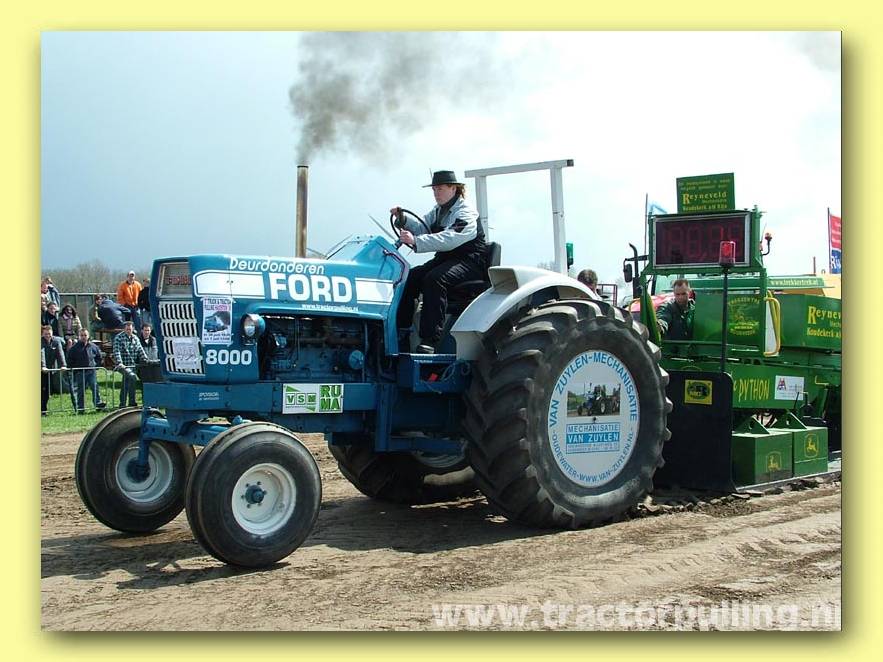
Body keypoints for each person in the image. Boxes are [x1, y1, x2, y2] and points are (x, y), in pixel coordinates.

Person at [390, 170, 488, 353]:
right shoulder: (438, 210)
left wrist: (416, 241)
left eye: (440, 188)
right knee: (409, 277)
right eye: (434, 189)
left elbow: (450, 238)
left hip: (469, 262)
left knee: (435, 279)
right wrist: (403, 219)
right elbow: (422, 227)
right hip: (445, 259)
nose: (436, 193)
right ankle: (400, 332)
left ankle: (430, 340)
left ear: (454, 188)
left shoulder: (466, 212)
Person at [66, 328, 107, 413]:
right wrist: (75, 370)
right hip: (80, 372)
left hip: (91, 371)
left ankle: (98, 404)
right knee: (80, 391)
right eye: (82, 335)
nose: (83, 337)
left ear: (88, 336)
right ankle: (81, 408)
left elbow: (99, 357)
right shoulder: (74, 348)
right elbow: (69, 360)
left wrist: (96, 366)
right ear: (79, 336)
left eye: (85, 335)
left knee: (94, 387)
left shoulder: (93, 346)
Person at [112, 321, 149, 407]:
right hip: (123, 366)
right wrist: (120, 363)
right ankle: (130, 402)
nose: (129, 330)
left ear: (133, 329)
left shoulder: (135, 338)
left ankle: (125, 404)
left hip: (133, 365)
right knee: (132, 377)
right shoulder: (118, 338)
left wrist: (146, 360)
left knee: (126, 383)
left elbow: (140, 351)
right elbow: (117, 352)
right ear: (124, 329)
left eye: (130, 329)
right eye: (127, 329)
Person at [41, 325, 68, 415]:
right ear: (42, 334)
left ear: (52, 333)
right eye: (45, 334)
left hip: (48, 370)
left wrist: (63, 365)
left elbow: (60, 353)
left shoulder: (56, 341)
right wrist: (43, 366)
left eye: (49, 334)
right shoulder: (40, 341)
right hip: (40, 369)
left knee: (47, 390)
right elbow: (41, 353)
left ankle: (43, 410)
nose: (47, 335)